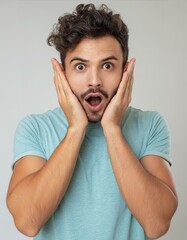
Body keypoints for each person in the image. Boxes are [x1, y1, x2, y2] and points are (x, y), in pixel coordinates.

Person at [7, 3, 178, 240]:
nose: (94, 81)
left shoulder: (150, 124)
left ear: (125, 71)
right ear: (62, 74)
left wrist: (113, 129)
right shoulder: (35, 128)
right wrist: (76, 128)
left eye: (107, 66)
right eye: (80, 66)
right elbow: (27, 221)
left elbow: (157, 224)